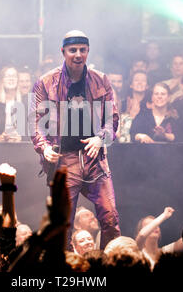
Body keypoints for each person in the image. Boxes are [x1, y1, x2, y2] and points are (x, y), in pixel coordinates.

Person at [30, 30, 121, 250]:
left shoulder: (101, 80)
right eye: (73, 50)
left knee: (110, 219)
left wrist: (101, 138)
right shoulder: (46, 82)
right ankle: (65, 269)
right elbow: (35, 121)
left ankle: (111, 267)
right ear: (63, 52)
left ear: (88, 51)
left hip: (94, 159)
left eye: (82, 50)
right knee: (62, 225)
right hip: (65, 161)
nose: (78, 54)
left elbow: (113, 118)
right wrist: (44, 148)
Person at [135, 194, 183, 269]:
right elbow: (142, 235)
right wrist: (164, 216)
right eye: (151, 225)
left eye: (157, 225)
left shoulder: (165, 252)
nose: (155, 227)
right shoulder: (138, 250)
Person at [0, 66, 23, 142]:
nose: (11, 79)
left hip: (21, 148)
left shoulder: (26, 103)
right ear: (1, 80)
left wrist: (21, 138)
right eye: (8, 76)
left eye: (14, 76)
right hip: (0, 148)